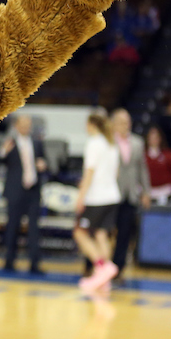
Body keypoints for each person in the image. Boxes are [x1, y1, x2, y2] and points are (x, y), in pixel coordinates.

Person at [73, 113, 121, 293]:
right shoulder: (111, 144)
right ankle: (103, 279)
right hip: (112, 195)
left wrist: (81, 196)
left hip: (97, 198)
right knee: (101, 234)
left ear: (92, 124)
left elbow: (89, 172)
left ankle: (102, 267)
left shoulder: (94, 143)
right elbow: (116, 172)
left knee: (79, 233)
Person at [1, 115, 47, 273]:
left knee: (34, 228)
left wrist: (43, 164)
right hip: (15, 191)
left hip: (33, 191)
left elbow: (44, 161)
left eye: (29, 124)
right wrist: (4, 152)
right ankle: (9, 261)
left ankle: (35, 263)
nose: (27, 127)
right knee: (12, 226)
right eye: (24, 124)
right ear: (17, 126)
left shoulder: (37, 143)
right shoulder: (10, 143)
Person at [110, 109, 151, 274]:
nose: (125, 125)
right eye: (121, 122)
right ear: (113, 124)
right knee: (104, 231)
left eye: (127, 122)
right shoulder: (108, 141)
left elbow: (142, 168)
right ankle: (96, 265)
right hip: (110, 192)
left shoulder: (137, 142)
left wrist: (146, 191)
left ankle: (118, 268)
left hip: (130, 194)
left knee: (125, 232)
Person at [144, 125, 171, 206]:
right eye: (151, 137)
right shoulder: (143, 156)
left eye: (156, 137)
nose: (153, 140)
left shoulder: (167, 155)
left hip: (165, 191)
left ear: (160, 139)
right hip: (148, 191)